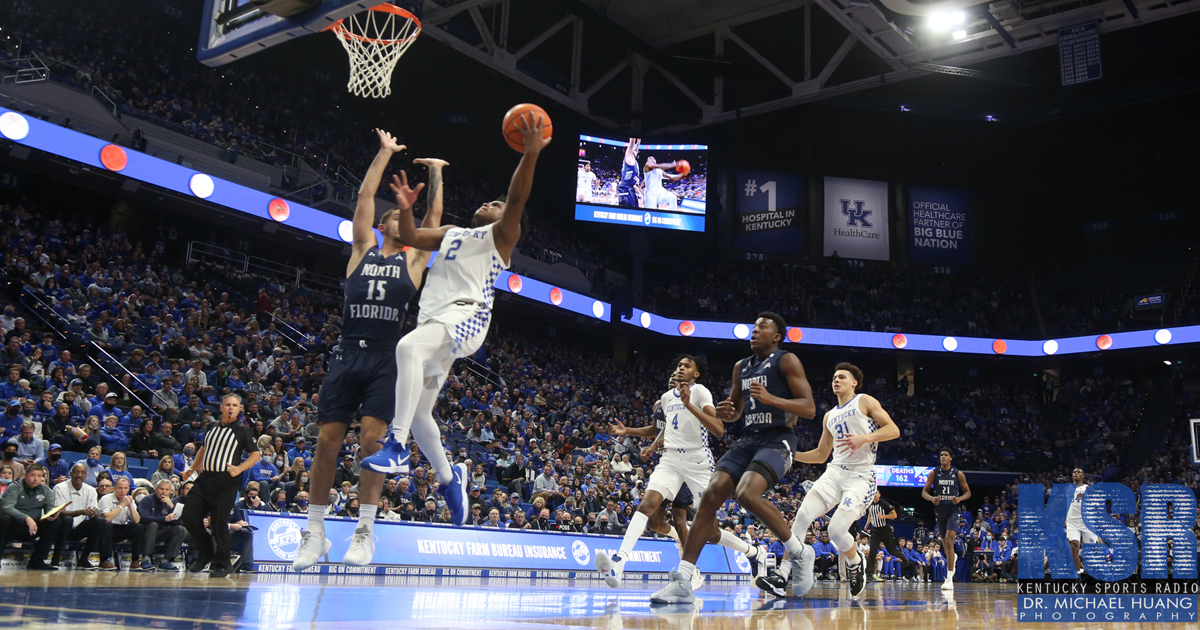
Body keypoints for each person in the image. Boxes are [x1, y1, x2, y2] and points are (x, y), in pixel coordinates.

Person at [361, 115, 551, 526]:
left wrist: (531, 155)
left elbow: (516, 200)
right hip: (436, 320)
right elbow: (411, 237)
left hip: (467, 315)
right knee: (419, 412)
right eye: (490, 201)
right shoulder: (451, 232)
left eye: (496, 205)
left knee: (407, 347)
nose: (491, 204)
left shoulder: (500, 237)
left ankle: (395, 445)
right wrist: (408, 209)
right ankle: (450, 480)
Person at [291, 131, 447, 572]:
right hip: (347, 353)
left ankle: (364, 530)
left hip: (386, 357)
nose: (403, 218)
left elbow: (432, 218)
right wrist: (384, 153)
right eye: (396, 215)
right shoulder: (362, 249)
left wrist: (435, 174)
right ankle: (315, 532)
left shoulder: (415, 259)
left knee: (370, 442)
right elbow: (364, 195)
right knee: (326, 441)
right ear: (382, 226)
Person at [652, 312, 815, 604]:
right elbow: (737, 410)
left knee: (746, 494)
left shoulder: (786, 360)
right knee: (711, 496)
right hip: (749, 439)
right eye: (753, 327)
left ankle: (800, 553)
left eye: (762, 328)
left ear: (776, 337)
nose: (755, 331)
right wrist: (730, 412)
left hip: (778, 439)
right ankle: (684, 580)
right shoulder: (741, 367)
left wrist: (771, 399)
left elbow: (809, 407)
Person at [601, 357, 762, 590]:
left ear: (696, 374)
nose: (680, 368)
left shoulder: (700, 392)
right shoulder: (666, 399)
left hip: (697, 462)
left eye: (686, 366)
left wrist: (689, 405)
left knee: (712, 533)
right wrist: (630, 431)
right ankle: (619, 562)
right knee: (647, 504)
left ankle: (753, 552)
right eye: (678, 365)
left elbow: (718, 429)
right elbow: (665, 428)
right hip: (670, 459)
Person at [761, 363, 900, 599]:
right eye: (834, 377)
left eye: (842, 377)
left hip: (860, 476)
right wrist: (793, 456)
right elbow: (821, 454)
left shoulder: (865, 401)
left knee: (836, 530)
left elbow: (893, 429)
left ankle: (856, 563)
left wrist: (864, 438)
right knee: (802, 516)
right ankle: (782, 574)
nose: (836, 380)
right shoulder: (830, 415)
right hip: (834, 472)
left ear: (854, 382)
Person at [181, 394, 260, 578]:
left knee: (218, 524)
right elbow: (203, 449)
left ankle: (223, 563)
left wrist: (239, 468)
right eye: (228, 405)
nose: (231, 408)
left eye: (235, 405)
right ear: (222, 407)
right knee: (189, 516)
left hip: (226, 481)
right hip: (204, 479)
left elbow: (255, 454)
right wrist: (191, 469)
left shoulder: (243, 430)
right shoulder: (211, 426)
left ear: (240, 409)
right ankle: (206, 550)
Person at [922, 446, 971, 591]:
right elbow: (924, 492)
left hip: (953, 510)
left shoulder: (958, 474)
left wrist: (959, 499)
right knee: (945, 544)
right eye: (941, 455)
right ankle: (952, 557)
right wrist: (931, 498)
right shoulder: (934, 473)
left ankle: (949, 578)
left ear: (950, 458)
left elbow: (968, 492)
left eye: (945, 455)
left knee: (949, 542)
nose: (943, 457)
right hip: (939, 510)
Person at [53, 461, 116, 570]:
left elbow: (94, 511)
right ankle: (55, 557)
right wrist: (81, 511)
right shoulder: (59, 488)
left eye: (83, 473)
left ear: (86, 475)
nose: (79, 475)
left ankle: (84, 559)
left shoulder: (91, 490)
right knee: (67, 519)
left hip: (78, 528)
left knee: (100, 521)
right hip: (61, 528)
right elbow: (59, 512)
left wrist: (93, 513)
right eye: (77, 472)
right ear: (71, 473)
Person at [0, 463, 63, 569]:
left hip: (33, 528)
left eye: (39, 476)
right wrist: (27, 518)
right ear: (25, 475)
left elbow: (49, 509)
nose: (36, 479)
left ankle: (37, 561)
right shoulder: (15, 487)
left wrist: (53, 514)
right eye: (33, 475)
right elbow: (7, 507)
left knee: (55, 522)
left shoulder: (45, 490)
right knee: (5, 519)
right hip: (14, 528)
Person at [863, 491, 912, 583]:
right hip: (875, 530)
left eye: (876, 493)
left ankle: (902, 556)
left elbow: (894, 514)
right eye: (873, 494)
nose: (874, 495)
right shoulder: (869, 504)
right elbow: (870, 515)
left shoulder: (884, 503)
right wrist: (867, 524)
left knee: (891, 551)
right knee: (872, 552)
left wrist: (883, 516)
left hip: (884, 530)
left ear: (879, 495)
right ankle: (869, 574)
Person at [99, 476, 144, 568]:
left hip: (120, 528)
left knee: (138, 527)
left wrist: (130, 505)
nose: (123, 491)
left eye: (125, 488)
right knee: (106, 524)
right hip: (105, 530)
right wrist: (122, 505)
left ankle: (135, 561)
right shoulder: (106, 499)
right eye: (120, 488)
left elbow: (136, 520)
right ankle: (104, 560)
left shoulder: (129, 500)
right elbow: (107, 518)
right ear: (114, 488)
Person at [1066, 467, 1099, 577]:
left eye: (1079, 472)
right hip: (1072, 522)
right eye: (1074, 472)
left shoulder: (1087, 488)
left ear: (1083, 476)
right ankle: (1077, 575)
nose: (1076, 473)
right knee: (1074, 546)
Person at [615, 138, 641, 207]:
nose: (635, 150)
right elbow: (632, 141)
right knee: (627, 210)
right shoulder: (628, 157)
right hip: (625, 188)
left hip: (630, 187)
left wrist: (638, 142)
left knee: (635, 209)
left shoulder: (633, 159)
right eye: (633, 148)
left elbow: (636, 150)